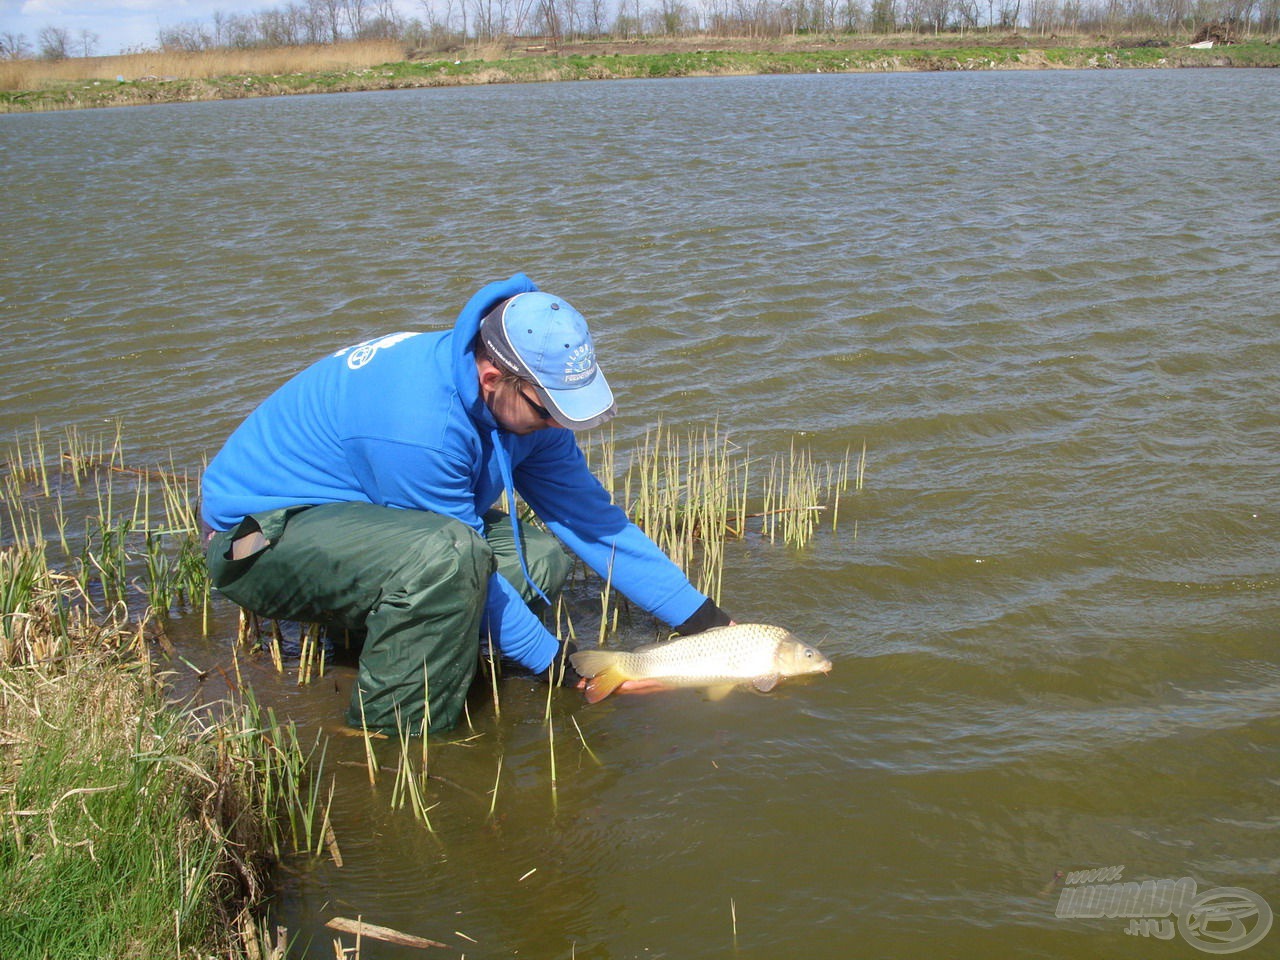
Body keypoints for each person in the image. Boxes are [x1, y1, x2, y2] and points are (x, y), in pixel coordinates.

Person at [201, 272, 732, 734]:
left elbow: (591, 522)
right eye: (550, 411)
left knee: (543, 556)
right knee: (449, 557)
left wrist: (705, 622)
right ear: (493, 380)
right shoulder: (421, 430)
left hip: (366, 527)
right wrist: (561, 669)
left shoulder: (524, 404)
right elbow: (459, 558)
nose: (559, 427)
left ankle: (378, 635)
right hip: (262, 541)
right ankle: (394, 736)